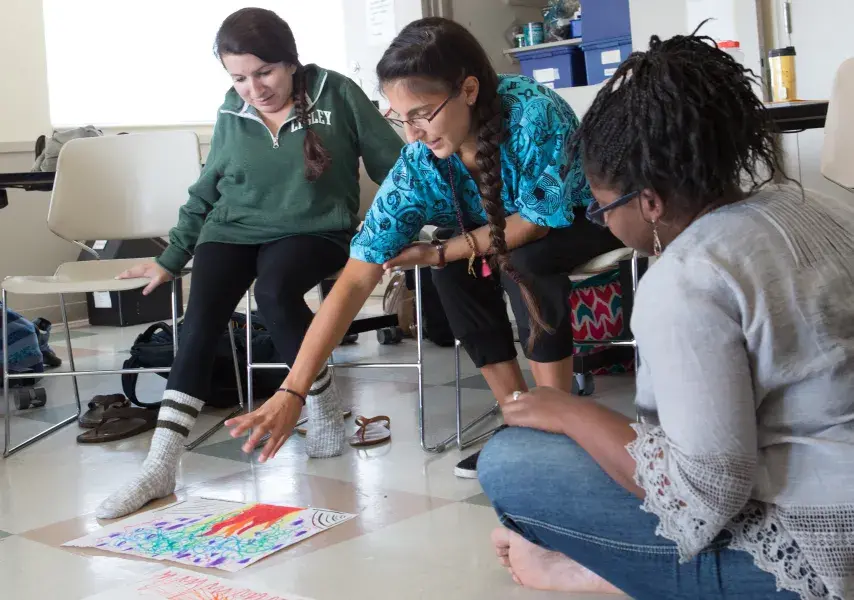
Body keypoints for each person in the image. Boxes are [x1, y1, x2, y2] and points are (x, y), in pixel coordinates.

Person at [476, 31, 854, 599]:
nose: (602, 223)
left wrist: (573, 413)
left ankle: (595, 572)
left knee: (510, 462)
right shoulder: (810, 204)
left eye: (603, 207)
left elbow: (704, 493)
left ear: (649, 202)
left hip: (824, 555)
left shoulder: (686, 275)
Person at [224, 17, 622, 478]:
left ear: (468, 90)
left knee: (516, 258)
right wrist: (293, 391)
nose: (412, 133)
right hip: (499, 234)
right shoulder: (419, 165)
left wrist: (438, 251)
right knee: (455, 271)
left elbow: (533, 224)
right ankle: (518, 416)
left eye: (422, 113)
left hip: (583, 217)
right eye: (400, 117)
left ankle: (557, 420)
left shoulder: (532, 112)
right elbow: (357, 276)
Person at [96, 7, 403, 520]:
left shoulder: (337, 92)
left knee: (276, 292)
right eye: (239, 78)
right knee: (199, 319)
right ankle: (161, 465)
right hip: (232, 229)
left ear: (290, 62)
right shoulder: (230, 111)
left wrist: (403, 229)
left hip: (317, 230)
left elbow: (395, 166)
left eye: (265, 73)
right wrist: (171, 257)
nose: (254, 88)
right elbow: (207, 188)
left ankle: (322, 404)